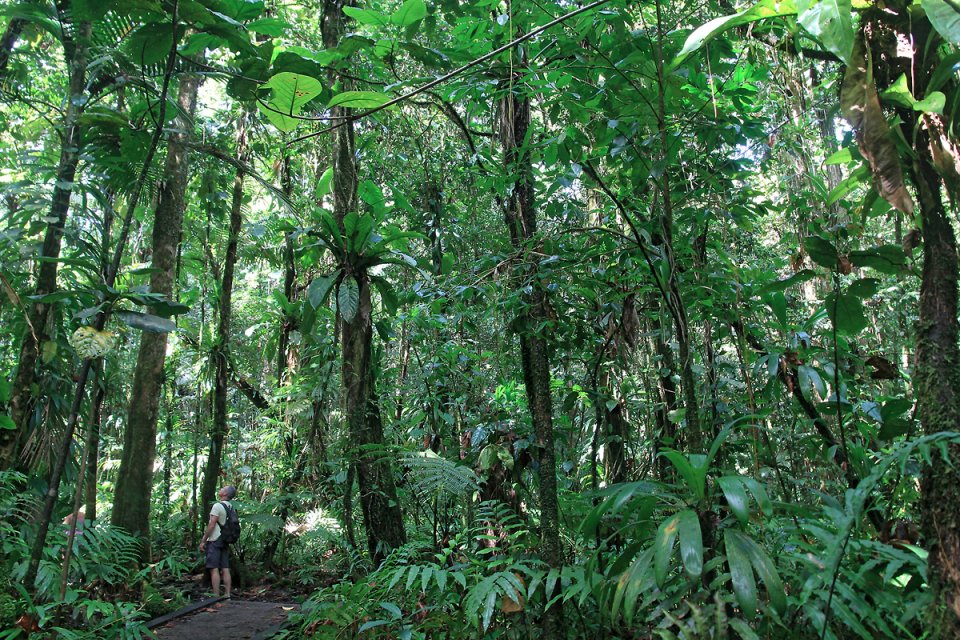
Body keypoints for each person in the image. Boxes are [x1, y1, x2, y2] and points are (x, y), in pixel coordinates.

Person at [199, 485, 236, 599]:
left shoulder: (217, 506)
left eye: (223, 489)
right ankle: (227, 595)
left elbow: (212, 524)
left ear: (225, 494)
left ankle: (216, 596)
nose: (220, 489)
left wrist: (203, 540)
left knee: (214, 568)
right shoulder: (231, 507)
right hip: (225, 540)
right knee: (225, 568)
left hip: (215, 539)